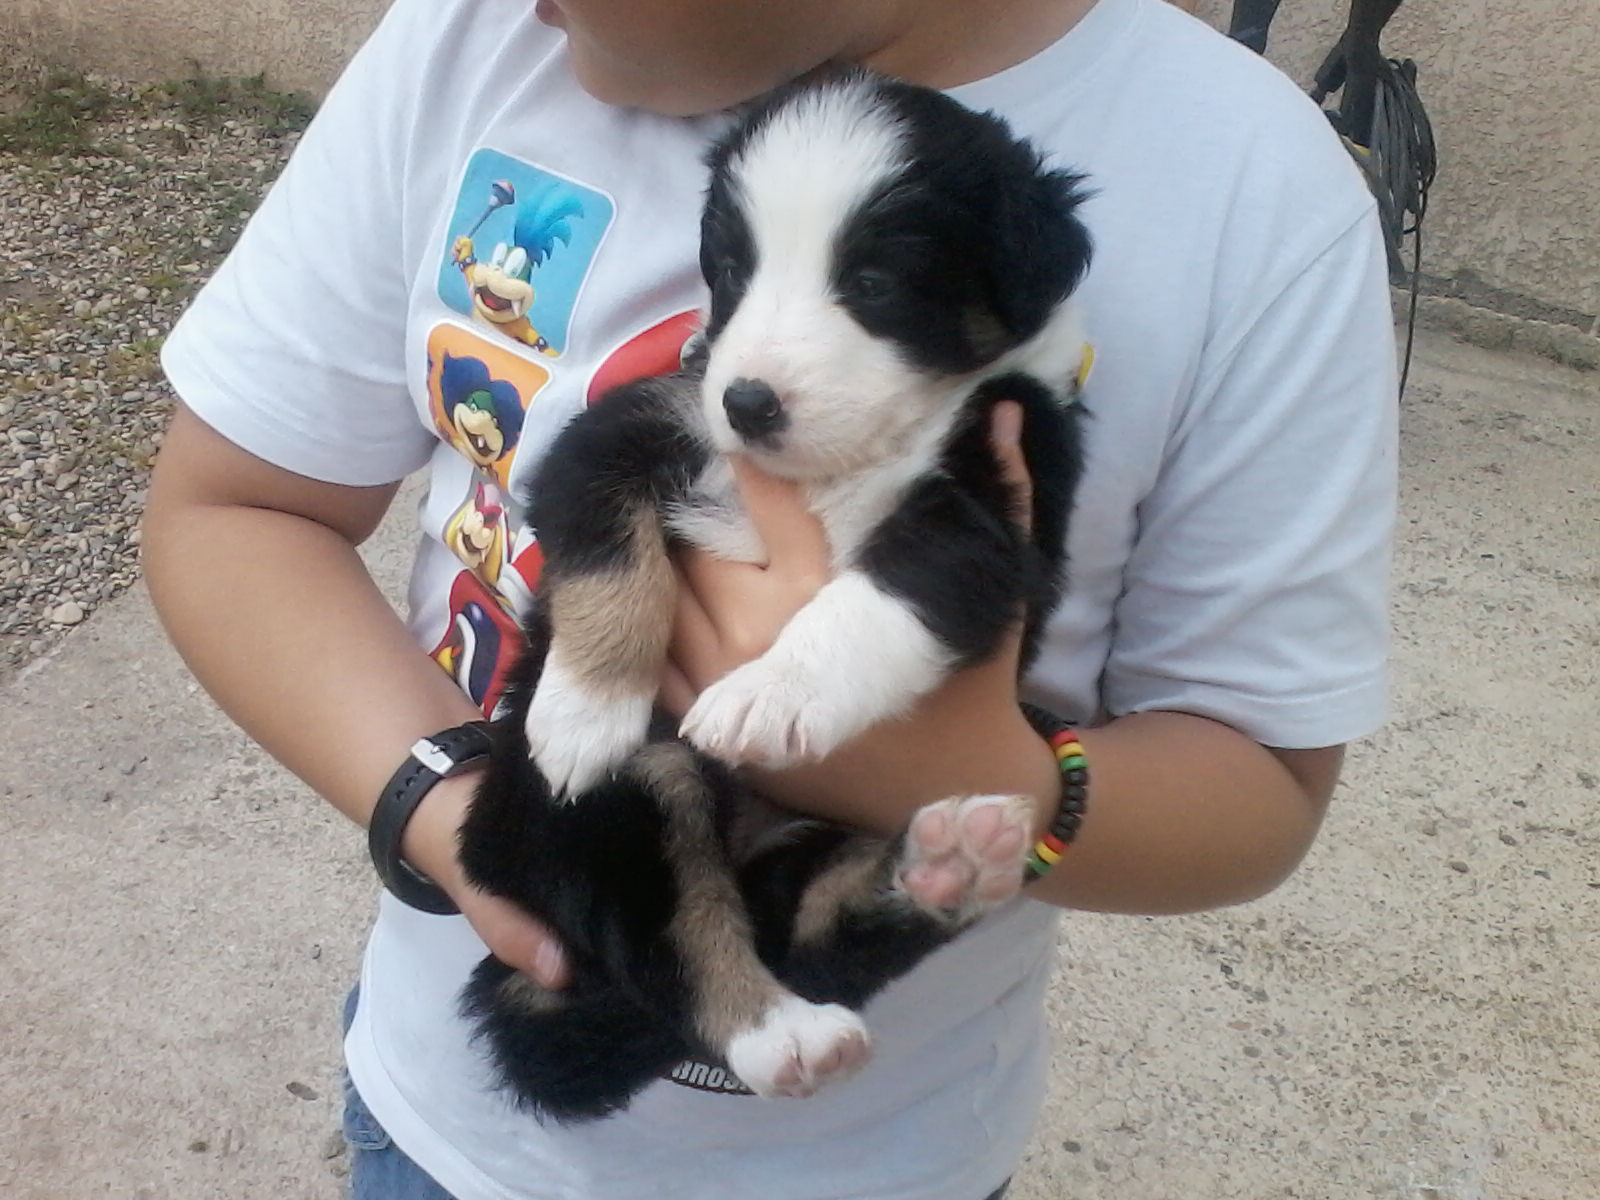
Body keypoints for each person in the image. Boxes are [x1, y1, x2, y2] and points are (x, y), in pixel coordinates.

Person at [141, 0, 1397, 1196]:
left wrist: (990, 782)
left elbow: (1261, 782)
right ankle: (728, 981)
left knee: (850, 868)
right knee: (656, 806)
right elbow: (234, 509)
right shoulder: (462, 45)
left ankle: (820, 932)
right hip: (448, 1134)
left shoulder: (1247, 191)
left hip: (891, 1159)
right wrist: (462, 802)